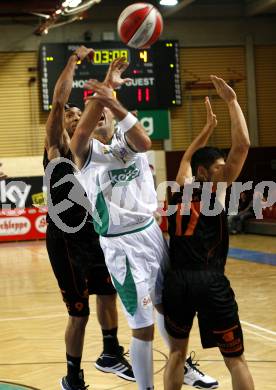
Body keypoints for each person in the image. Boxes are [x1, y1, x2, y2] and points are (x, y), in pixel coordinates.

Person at [69, 62, 219, 388]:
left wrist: (111, 96)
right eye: (96, 113)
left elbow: (146, 142)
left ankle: (182, 365)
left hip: (151, 234)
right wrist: (104, 93)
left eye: (105, 111)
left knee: (169, 307)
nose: (101, 117)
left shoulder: (128, 137)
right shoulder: (84, 152)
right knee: (143, 324)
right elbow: (81, 130)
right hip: (121, 245)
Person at [44, 46, 134, 390]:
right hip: (65, 239)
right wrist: (73, 60)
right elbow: (57, 102)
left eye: (78, 111)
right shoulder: (57, 146)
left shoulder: (93, 151)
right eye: (71, 113)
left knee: (108, 293)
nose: (74, 114)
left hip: (96, 233)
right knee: (78, 313)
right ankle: (73, 376)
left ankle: (110, 351)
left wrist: (109, 92)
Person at [162, 77, 255, 390]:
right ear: (206, 174)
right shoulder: (215, 191)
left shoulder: (176, 190)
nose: (224, 168)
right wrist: (231, 102)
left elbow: (187, 159)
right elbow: (242, 146)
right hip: (208, 280)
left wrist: (207, 128)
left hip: (177, 282)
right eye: (218, 166)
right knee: (236, 359)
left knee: (176, 353)